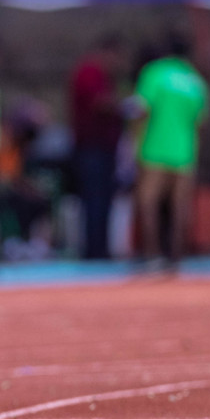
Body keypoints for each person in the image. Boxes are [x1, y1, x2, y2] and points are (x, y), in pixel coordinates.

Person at [131, 33, 208, 267]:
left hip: (154, 148)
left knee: (148, 203)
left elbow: (141, 109)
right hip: (184, 151)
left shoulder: (155, 72)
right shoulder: (195, 81)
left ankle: (153, 254)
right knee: (180, 207)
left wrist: (133, 137)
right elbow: (199, 122)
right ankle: (176, 257)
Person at [70, 34, 125, 259]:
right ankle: (94, 250)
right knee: (95, 200)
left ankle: (100, 247)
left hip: (103, 147)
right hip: (92, 147)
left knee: (103, 201)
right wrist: (121, 107)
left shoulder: (104, 76)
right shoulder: (90, 72)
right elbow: (99, 104)